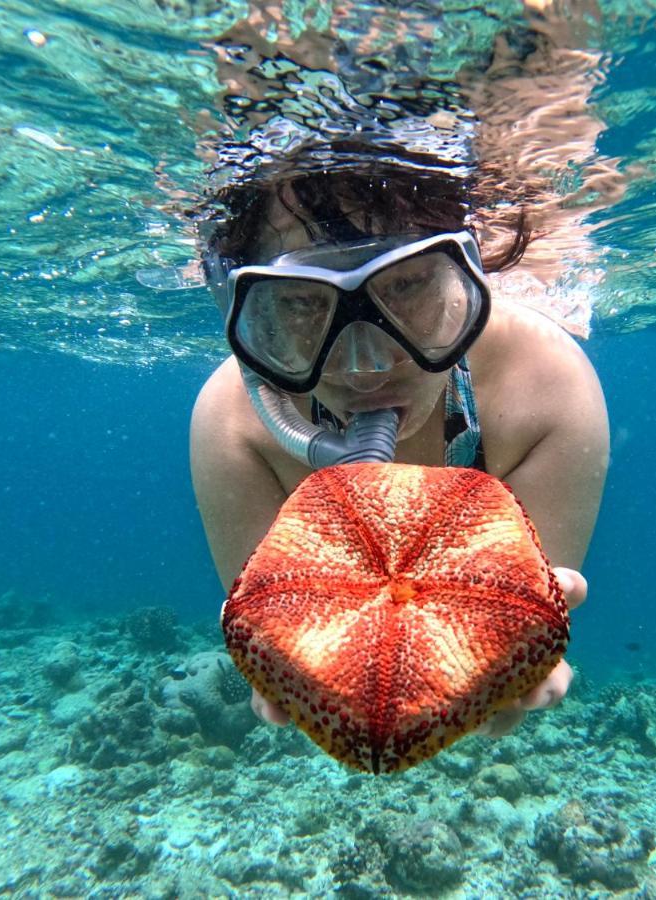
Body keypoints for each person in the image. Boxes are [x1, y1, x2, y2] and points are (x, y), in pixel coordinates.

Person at [189, 141, 609, 738]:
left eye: (409, 286)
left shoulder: (543, 383)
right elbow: (282, 650)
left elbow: (520, 636)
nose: (365, 365)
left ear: (465, 279)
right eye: (303, 303)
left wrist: (513, 659)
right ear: (248, 313)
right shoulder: (234, 423)